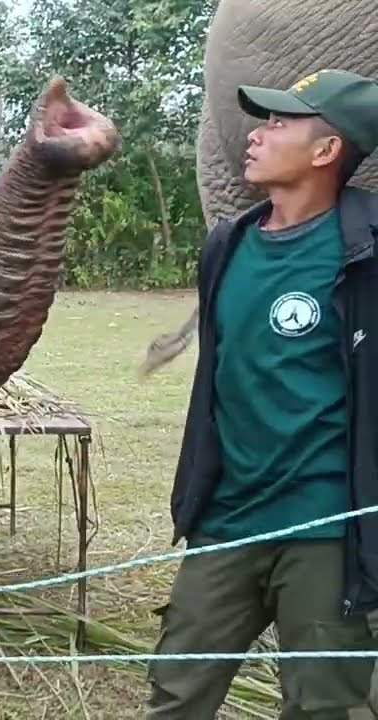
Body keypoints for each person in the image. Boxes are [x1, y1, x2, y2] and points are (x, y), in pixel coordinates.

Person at [148, 69, 378, 718]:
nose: (257, 134)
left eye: (279, 123)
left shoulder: (368, 250)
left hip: (325, 529)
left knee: (321, 706)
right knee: (175, 695)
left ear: (327, 150)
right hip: (227, 519)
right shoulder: (228, 246)